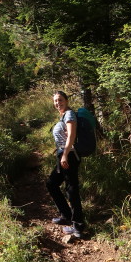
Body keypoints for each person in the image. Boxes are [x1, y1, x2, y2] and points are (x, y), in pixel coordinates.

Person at [46, 90, 84, 238]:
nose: (58, 103)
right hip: (63, 154)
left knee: (71, 189)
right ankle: (66, 215)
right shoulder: (63, 115)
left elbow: (72, 136)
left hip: (69, 155)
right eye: (55, 101)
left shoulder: (69, 115)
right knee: (51, 183)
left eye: (60, 100)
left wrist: (66, 155)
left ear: (66, 101)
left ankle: (78, 226)